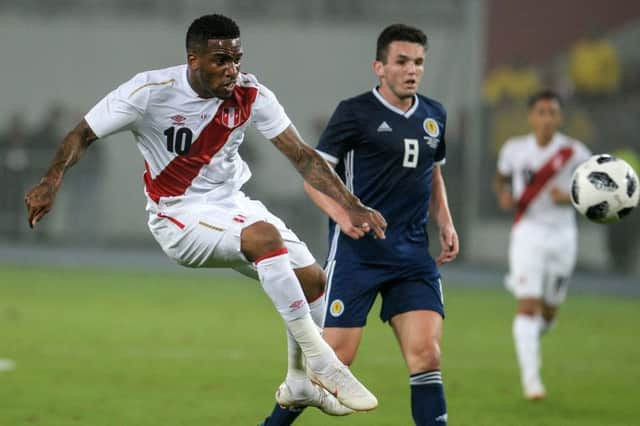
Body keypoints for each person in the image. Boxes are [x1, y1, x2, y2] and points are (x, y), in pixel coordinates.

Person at [24, 13, 388, 414]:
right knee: (264, 237)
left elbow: (302, 156)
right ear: (193, 60)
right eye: (221, 61)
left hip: (232, 204)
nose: (232, 70)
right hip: (176, 216)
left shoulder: (251, 94)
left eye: (237, 59)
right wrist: (50, 181)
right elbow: (82, 133)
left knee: (313, 281)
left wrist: (352, 205)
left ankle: (299, 381)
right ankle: (322, 361)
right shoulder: (149, 91)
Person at [259, 23, 458, 426]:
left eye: (418, 62)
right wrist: (342, 215)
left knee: (427, 355)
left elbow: (432, 173)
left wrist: (446, 222)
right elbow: (314, 178)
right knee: (333, 365)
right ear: (379, 67)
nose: (412, 70)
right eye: (401, 61)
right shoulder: (354, 113)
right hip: (358, 257)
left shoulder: (435, 114)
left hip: (412, 257)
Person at [493, 89, 591, 400]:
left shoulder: (577, 153)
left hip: (563, 237)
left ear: (560, 118)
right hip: (527, 233)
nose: (547, 119)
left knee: (548, 313)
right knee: (527, 306)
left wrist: (573, 197)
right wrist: (503, 195)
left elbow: (597, 196)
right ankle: (532, 383)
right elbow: (501, 178)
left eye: (553, 113)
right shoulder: (514, 149)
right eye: (541, 112)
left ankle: (532, 333)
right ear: (531, 116)